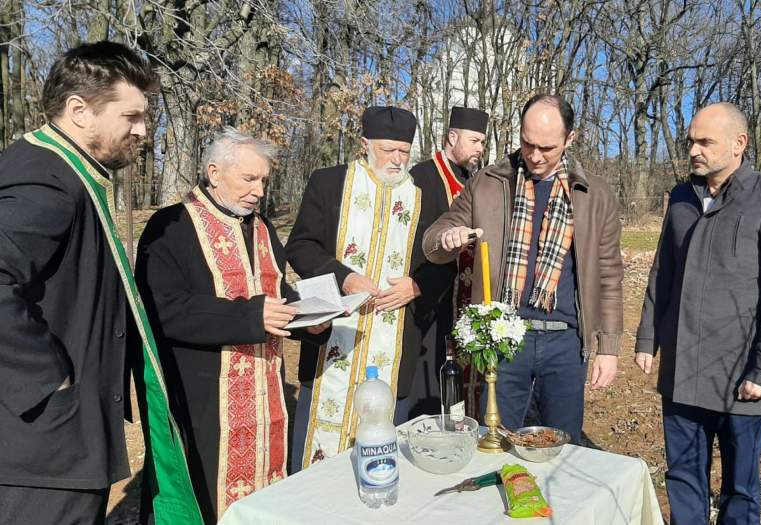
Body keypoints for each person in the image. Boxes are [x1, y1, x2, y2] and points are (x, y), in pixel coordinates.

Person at [0, 41, 200, 524]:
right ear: (79, 110)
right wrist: (52, 381)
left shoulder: (64, 168)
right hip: (42, 447)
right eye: (131, 116)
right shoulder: (46, 180)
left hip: (53, 441)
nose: (143, 130)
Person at [135, 127, 331, 523]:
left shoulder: (262, 228)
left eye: (263, 180)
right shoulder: (171, 225)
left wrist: (310, 322)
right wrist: (250, 316)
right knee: (204, 499)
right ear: (213, 172)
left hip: (266, 397)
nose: (259, 190)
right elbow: (161, 308)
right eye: (248, 178)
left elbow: (277, 296)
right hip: (203, 397)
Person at [634, 102, 761, 524]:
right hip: (682, 372)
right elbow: (663, 271)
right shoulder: (681, 196)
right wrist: (647, 338)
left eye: (705, 142)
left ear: (738, 144)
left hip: (740, 377)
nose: (693, 150)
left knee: (741, 489)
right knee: (683, 479)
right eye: (691, 140)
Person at [423, 94, 624, 447]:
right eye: (527, 143)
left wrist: (608, 347)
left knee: (563, 446)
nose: (534, 155)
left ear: (569, 139)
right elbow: (433, 239)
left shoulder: (596, 193)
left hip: (566, 341)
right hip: (504, 339)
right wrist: (447, 238)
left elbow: (609, 274)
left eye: (546, 147)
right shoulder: (487, 183)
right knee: (496, 443)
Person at [286, 106, 455, 471]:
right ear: (365, 144)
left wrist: (416, 286)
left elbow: (445, 263)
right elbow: (300, 246)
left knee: (384, 457)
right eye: (388, 150)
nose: (397, 160)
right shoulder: (329, 182)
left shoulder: (427, 193)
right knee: (319, 454)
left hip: (395, 343)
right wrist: (343, 276)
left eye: (404, 152)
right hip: (336, 334)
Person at [408, 106, 489, 419]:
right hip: (431, 302)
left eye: (482, 142)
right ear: (452, 137)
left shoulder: (475, 181)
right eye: (473, 140)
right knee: (429, 391)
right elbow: (414, 242)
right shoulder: (422, 177)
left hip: (466, 301)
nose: (480, 148)